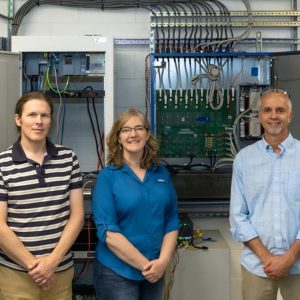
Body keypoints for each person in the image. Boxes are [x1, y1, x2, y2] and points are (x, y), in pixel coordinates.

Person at [0, 91, 84, 300]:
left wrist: (52, 262)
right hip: (16, 274)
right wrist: (35, 267)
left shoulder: (68, 158)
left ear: (50, 120)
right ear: (18, 119)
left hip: (60, 272)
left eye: (44, 116)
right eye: (32, 115)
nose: (39, 121)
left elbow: (77, 216)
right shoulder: (2, 164)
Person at [92, 108, 179, 300]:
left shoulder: (161, 174)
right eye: (126, 129)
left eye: (139, 128)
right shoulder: (108, 177)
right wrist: (146, 266)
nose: (133, 134)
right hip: (117, 272)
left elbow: (172, 220)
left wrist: (163, 262)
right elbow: (108, 233)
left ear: (147, 135)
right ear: (118, 137)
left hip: (155, 269)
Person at [230, 89, 300, 300]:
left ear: (290, 115)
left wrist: (289, 258)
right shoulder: (244, 159)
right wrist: (267, 257)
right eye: (267, 110)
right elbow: (238, 216)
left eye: (280, 110)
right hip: (257, 267)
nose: (273, 116)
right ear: (259, 116)